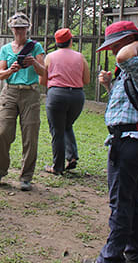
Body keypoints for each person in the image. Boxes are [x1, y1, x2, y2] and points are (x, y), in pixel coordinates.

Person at [84, 21, 138, 263]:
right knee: (132, 198)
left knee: (120, 202)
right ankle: (136, 254)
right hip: (126, 140)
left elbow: (124, 57)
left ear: (130, 41)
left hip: (130, 141)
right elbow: (128, 102)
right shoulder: (135, 67)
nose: (115, 52)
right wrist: (110, 85)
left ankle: (109, 258)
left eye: (116, 46)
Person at [0, 12, 45, 191]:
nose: (19, 32)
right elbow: (1, 74)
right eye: (16, 28)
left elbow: (44, 72)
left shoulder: (36, 47)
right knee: (2, 133)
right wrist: (11, 70)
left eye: (22, 28)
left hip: (31, 93)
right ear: (11, 29)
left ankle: (26, 177)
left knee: (30, 135)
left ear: (28, 29)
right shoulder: (5, 49)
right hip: (10, 92)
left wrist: (34, 63)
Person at [42, 28, 90, 174]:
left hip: (57, 95)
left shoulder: (49, 57)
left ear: (57, 43)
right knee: (67, 125)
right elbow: (86, 80)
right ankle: (72, 156)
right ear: (71, 41)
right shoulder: (80, 57)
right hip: (77, 96)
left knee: (57, 130)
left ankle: (57, 167)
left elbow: (42, 80)